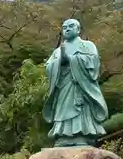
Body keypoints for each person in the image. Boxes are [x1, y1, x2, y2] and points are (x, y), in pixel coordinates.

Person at [43, 19, 109, 147]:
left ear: (78, 30)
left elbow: (94, 63)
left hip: (80, 85)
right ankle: (62, 135)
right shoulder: (57, 51)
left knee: (80, 110)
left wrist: (72, 60)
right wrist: (58, 63)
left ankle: (82, 134)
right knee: (63, 110)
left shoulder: (87, 45)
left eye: (71, 26)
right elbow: (48, 66)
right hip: (63, 86)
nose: (67, 29)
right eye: (64, 27)